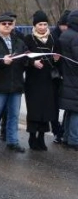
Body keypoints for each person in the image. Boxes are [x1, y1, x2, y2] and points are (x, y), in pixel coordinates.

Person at [0, 13, 28, 154]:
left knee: (14, 115)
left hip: (15, 84)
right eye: (4, 24)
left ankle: (13, 141)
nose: (7, 26)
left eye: (10, 24)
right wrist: (2, 61)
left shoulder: (19, 41)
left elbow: (25, 58)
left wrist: (32, 61)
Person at [23, 10, 62, 151]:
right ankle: (32, 136)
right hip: (33, 81)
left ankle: (41, 137)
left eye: (45, 24)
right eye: (40, 24)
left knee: (46, 110)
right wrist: (32, 63)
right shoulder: (28, 39)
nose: (43, 27)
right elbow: (22, 58)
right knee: (34, 110)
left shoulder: (53, 39)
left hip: (48, 80)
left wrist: (57, 60)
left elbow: (58, 59)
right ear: (35, 25)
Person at [58, 10, 78, 151]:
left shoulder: (65, 35)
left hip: (67, 76)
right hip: (75, 78)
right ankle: (74, 140)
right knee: (76, 111)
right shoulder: (76, 37)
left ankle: (66, 136)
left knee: (70, 110)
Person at [51, 10, 70, 144]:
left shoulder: (68, 35)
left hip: (67, 75)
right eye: (65, 26)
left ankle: (64, 130)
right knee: (55, 105)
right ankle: (57, 131)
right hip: (55, 76)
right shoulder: (54, 36)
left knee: (68, 105)